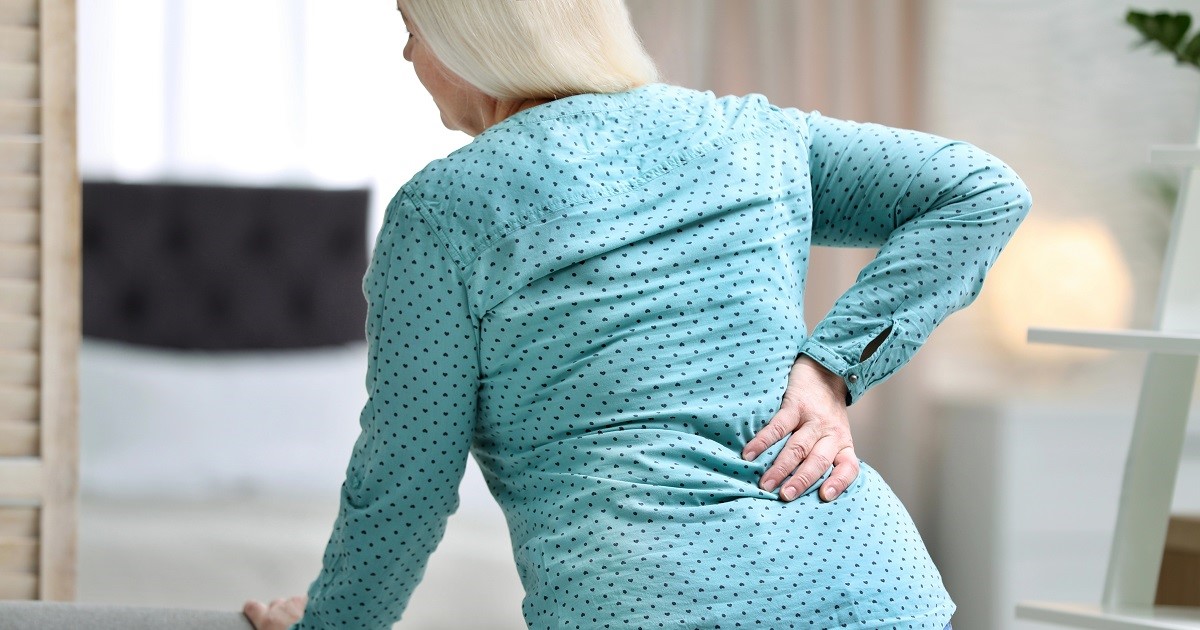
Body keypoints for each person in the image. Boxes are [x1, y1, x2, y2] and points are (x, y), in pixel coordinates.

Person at [244, 1, 1030, 628]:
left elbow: (406, 481)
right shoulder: (750, 135)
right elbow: (981, 190)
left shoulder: (444, 210)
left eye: (411, 32)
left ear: (463, 41)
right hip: (872, 589)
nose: (410, 59)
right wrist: (830, 369)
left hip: (648, 601)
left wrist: (329, 625)